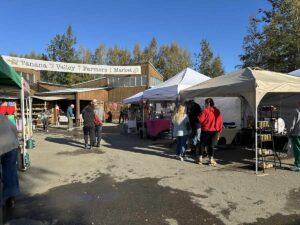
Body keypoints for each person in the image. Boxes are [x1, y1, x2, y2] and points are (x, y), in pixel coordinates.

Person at [0, 113, 20, 209]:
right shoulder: (2, 116)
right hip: (11, 146)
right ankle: (10, 197)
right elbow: (14, 129)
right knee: (10, 172)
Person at [197, 98, 223, 166]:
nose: (204, 105)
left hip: (205, 130)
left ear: (208, 104)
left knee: (202, 144)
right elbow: (220, 122)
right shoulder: (217, 111)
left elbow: (200, 120)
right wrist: (219, 132)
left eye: (205, 103)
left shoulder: (205, 111)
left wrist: (199, 114)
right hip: (214, 131)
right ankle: (211, 159)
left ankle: (200, 159)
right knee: (211, 145)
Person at [289, 101, 300, 171]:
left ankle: (297, 165)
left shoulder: (296, 111)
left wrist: (289, 132)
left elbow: (292, 124)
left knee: (297, 149)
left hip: (297, 133)